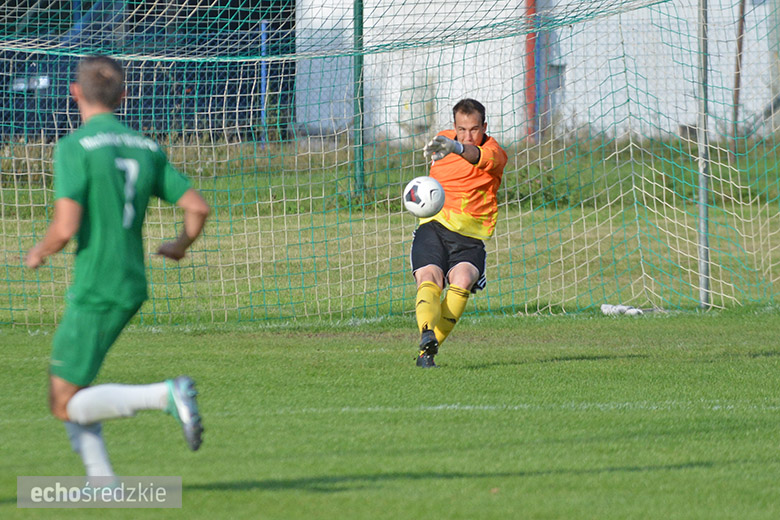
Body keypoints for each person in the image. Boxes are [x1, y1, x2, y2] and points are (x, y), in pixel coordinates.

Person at [24, 56, 210, 479]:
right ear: (124, 96)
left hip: (97, 285)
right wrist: (179, 245)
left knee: (62, 401)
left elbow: (66, 227)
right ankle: (103, 482)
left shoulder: (74, 146)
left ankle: (165, 395)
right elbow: (197, 207)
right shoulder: (146, 147)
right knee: (75, 389)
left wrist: (39, 251)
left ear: (75, 93)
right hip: (131, 281)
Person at [412, 99, 508, 368]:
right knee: (430, 277)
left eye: (474, 129)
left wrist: (455, 147)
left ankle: (427, 353)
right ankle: (427, 331)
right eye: (462, 129)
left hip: (470, 237)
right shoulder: (442, 139)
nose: (468, 135)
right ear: (454, 126)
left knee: (463, 279)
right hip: (433, 225)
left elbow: (475, 156)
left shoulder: (494, 152)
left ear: (484, 127)